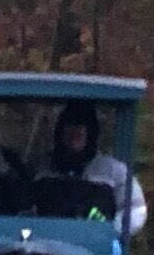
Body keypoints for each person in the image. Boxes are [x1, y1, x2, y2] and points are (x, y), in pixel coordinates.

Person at [41, 99, 148, 234]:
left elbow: (136, 209)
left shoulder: (114, 171)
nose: (75, 133)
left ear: (91, 133)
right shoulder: (42, 168)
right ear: (60, 131)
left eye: (81, 128)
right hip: (46, 246)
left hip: (96, 250)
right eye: (69, 126)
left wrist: (109, 232)